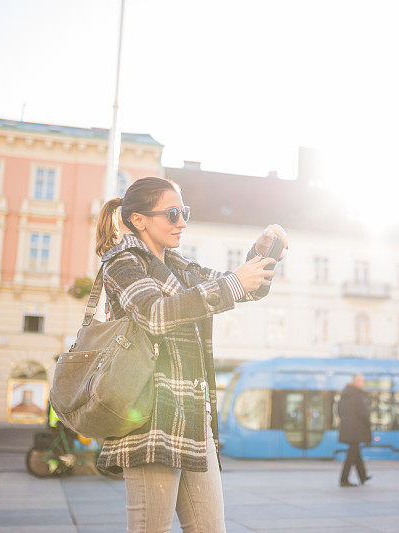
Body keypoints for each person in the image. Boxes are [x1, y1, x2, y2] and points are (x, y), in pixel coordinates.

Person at [93, 177, 286, 533]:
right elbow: (155, 312)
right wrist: (233, 283)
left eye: (185, 212)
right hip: (150, 415)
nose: (182, 222)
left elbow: (245, 289)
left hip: (194, 418)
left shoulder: (181, 267)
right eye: (172, 213)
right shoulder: (121, 261)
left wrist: (262, 254)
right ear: (139, 220)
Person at [338, 374, 372, 487]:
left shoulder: (345, 393)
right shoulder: (357, 394)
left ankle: (363, 476)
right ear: (356, 382)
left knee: (355, 452)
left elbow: (339, 410)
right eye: (361, 381)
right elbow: (363, 413)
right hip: (356, 429)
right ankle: (344, 479)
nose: (363, 383)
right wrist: (368, 425)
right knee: (351, 455)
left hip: (348, 428)